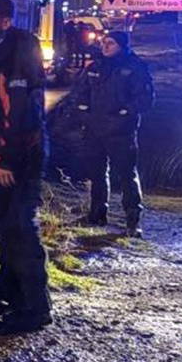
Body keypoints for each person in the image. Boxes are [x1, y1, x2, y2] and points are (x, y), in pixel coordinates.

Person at [0, 0, 53, 334]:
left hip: (18, 157)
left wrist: (6, 158)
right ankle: (7, 288)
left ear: (5, 23)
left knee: (19, 228)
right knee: (3, 223)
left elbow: (20, 113)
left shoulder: (19, 55)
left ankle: (35, 307)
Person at [66, 30, 154, 236]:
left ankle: (132, 222)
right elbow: (80, 94)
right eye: (104, 42)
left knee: (126, 175)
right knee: (96, 174)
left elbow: (145, 100)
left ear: (122, 46)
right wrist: (83, 114)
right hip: (94, 130)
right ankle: (97, 214)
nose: (105, 47)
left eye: (111, 43)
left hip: (121, 132)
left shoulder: (135, 68)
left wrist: (124, 114)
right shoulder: (95, 67)